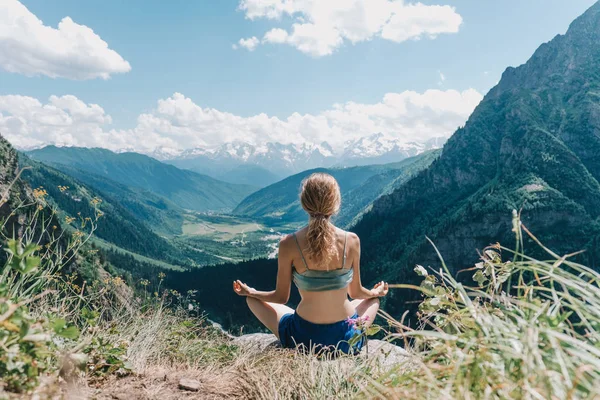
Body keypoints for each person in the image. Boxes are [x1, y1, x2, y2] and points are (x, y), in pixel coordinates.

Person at [233, 172, 389, 355]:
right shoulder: (351, 240)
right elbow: (356, 292)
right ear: (336, 203)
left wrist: (250, 291)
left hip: (303, 338)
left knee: (252, 300)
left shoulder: (288, 243)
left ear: (304, 203)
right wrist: (374, 293)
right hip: (346, 337)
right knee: (373, 300)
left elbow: (281, 297)